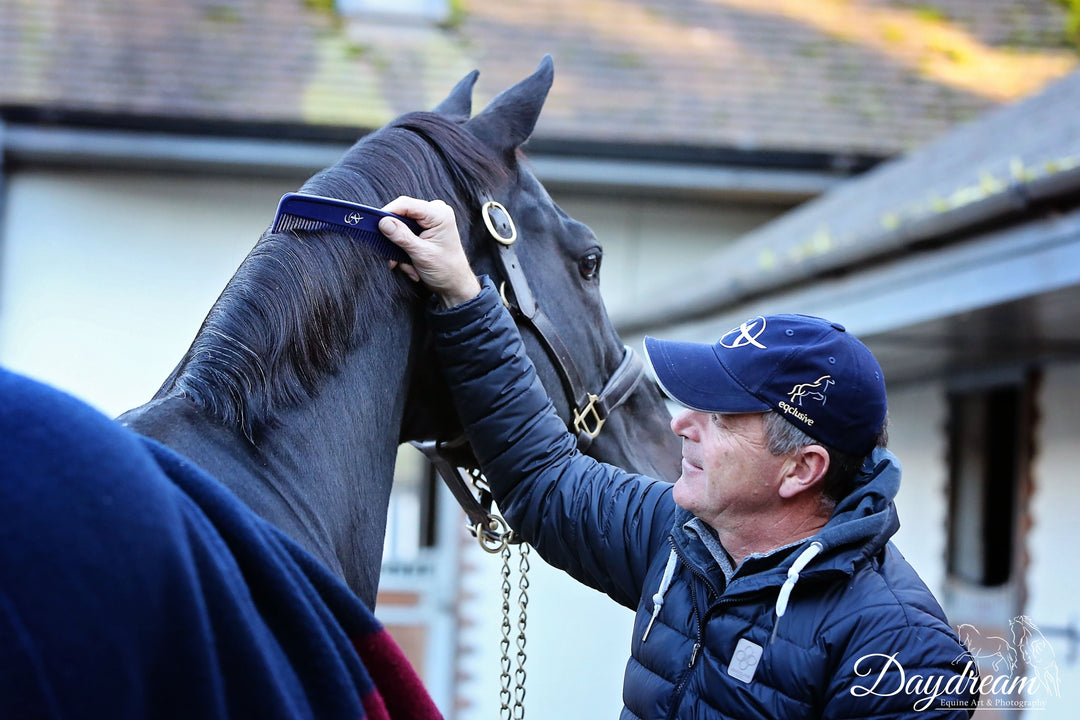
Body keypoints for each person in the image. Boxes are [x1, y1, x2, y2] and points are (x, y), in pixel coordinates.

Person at [379, 197, 980, 719]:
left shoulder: (904, 656)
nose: (680, 425)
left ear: (801, 469)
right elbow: (541, 475)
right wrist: (462, 294)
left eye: (720, 417)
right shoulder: (682, 536)